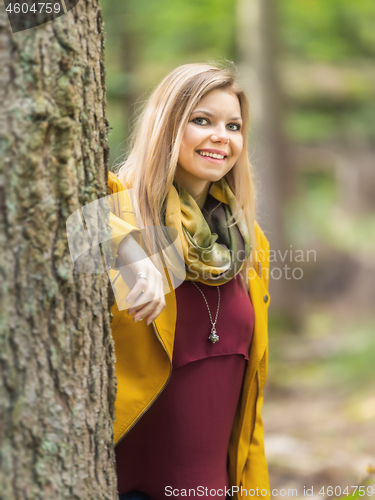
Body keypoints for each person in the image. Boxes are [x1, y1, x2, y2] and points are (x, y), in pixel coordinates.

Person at [107, 63, 271, 500]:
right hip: (128, 488)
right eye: (202, 120)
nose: (222, 136)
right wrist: (132, 252)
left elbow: (249, 403)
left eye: (233, 125)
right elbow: (71, 215)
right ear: (167, 126)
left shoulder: (250, 243)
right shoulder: (119, 206)